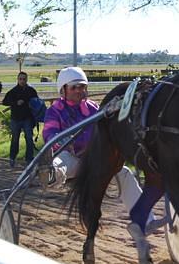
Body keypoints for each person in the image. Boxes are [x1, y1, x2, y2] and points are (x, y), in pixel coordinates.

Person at [42, 67, 159, 231]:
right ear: (63, 90)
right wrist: (61, 140)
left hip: (96, 159)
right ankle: (52, 174)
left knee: (125, 173)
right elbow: (49, 133)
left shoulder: (93, 108)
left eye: (82, 86)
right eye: (74, 87)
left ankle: (146, 220)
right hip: (72, 157)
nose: (79, 90)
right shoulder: (55, 110)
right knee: (60, 161)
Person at [2, 71, 38, 167]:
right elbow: (4, 102)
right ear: (17, 80)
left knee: (29, 139)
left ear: (27, 80)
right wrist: (15, 102)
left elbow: (37, 102)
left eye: (24, 79)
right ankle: (12, 158)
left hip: (27, 118)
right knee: (15, 139)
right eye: (20, 79)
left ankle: (29, 159)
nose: (22, 81)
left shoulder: (31, 91)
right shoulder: (13, 91)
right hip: (16, 118)